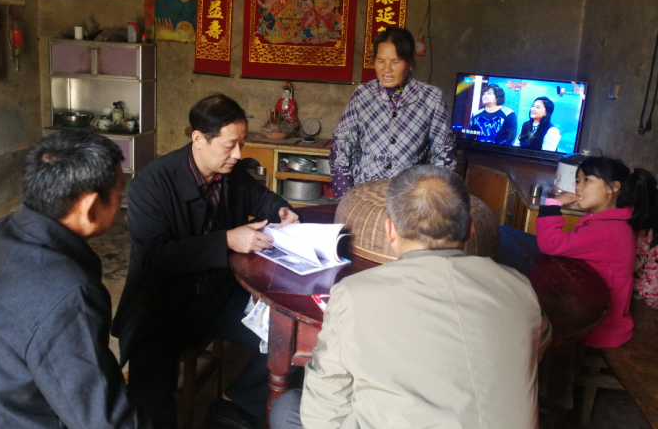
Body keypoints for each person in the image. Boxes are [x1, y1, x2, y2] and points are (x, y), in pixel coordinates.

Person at [270, 165, 551, 429]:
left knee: (287, 406)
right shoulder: (520, 288)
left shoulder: (354, 293)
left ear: (390, 230)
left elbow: (325, 405)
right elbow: (534, 347)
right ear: (470, 229)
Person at [0, 131, 151, 428]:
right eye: (119, 193)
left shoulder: (3, 231)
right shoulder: (68, 293)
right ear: (90, 207)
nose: (120, 203)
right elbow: (102, 418)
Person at [112, 94, 300, 429]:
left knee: (294, 341)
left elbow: (262, 198)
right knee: (150, 401)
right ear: (199, 139)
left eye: (242, 143)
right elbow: (156, 256)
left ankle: (234, 402)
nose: (238, 154)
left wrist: (281, 210)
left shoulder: (231, 173)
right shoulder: (153, 183)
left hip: (221, 297)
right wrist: (226, 240)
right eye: (230, 145)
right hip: (163, 306)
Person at [537, 156, 658, 347]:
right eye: (578, 180)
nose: (578, 186)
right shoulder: (608, 221)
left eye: (587, 180)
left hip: (597, 328)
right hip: (593, 313)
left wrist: (552, 205)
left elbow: (550, 243)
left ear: (613, 187)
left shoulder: (608, 230)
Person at [330, 27, 457, 200]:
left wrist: (431, 200)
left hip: (408, 199)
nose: (386, 69)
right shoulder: (363, 94)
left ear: (410, 62)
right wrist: (345, 196)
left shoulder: (431, 98)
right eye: (380, 61)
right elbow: (341, 145)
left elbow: (444, 154)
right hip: (364, 195)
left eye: (395, 61)